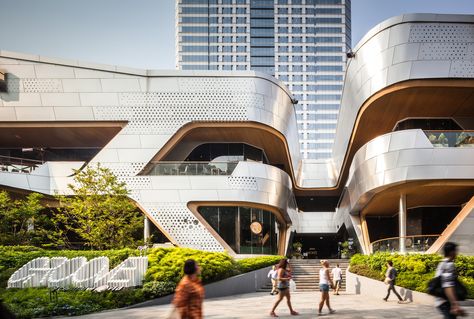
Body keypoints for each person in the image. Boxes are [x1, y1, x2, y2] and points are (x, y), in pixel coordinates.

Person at [435, 242, 466, 318]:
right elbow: (448, 286)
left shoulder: (441, 263)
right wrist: (454, 304)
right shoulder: (449, 265)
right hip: (445, 302)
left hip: (441, 300)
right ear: (451, 252)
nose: (457, 253)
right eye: (456, 251)